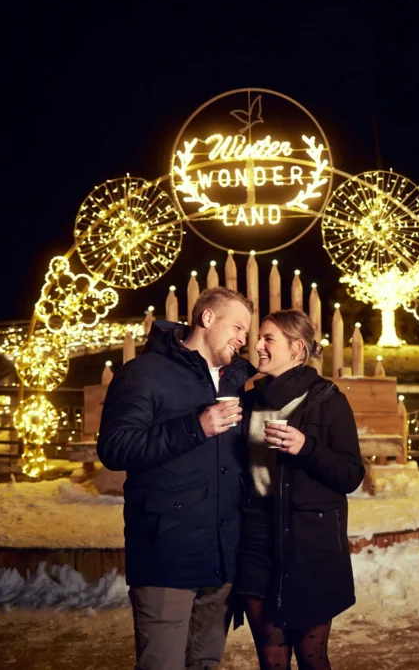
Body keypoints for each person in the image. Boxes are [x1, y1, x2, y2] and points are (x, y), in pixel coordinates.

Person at [97, 287, 257, 670]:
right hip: (166, 552)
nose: (242, 339)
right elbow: (115, 449)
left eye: (246, 333)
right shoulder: (144, 373)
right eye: (237, 327)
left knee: (205, 663)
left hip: (221, 558)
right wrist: (196, 427)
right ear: (207, 319)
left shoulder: (237, 381)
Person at [234, 309, 365, 670]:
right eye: (258, 337)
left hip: (311, 542)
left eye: (268, 339)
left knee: (311, 657)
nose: (256, 345)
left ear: (296, 350)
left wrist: (305, 448)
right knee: (271, 657)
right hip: (257, 538)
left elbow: (351, 474)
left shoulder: (327, 400)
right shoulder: (249, 400)